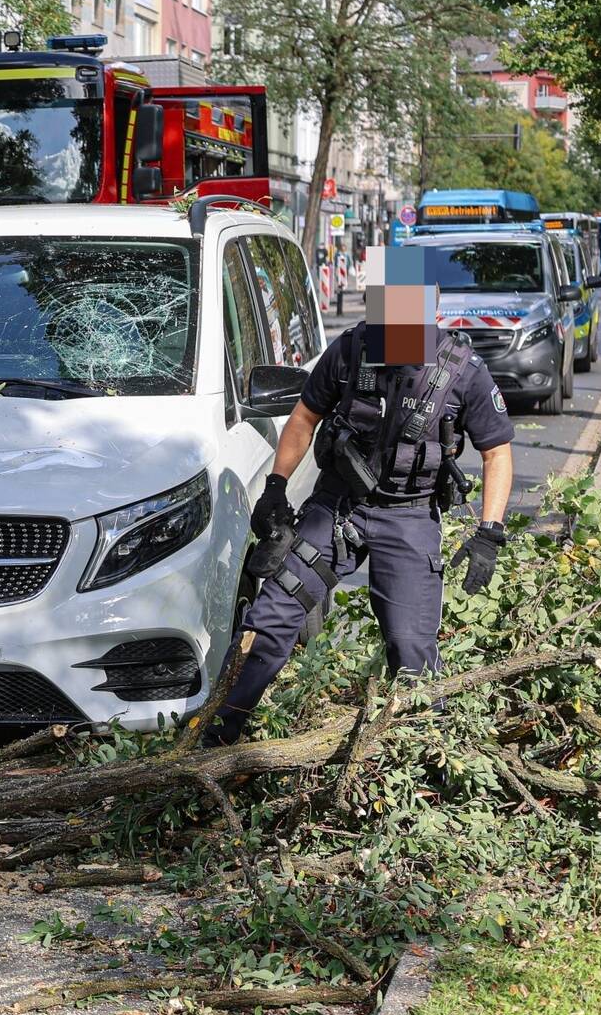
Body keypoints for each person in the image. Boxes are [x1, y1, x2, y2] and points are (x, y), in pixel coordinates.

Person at [211, 256, 517, 744]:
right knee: (271, 619)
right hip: (337, 506)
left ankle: (420, 759)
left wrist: (490, 533)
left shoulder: (464, 372)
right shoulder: (352, 350)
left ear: (433, 308)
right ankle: (217, 734)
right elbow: (304, 417)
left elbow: (497, 451)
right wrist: (275, 487)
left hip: (410, 516)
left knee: (412, 650)